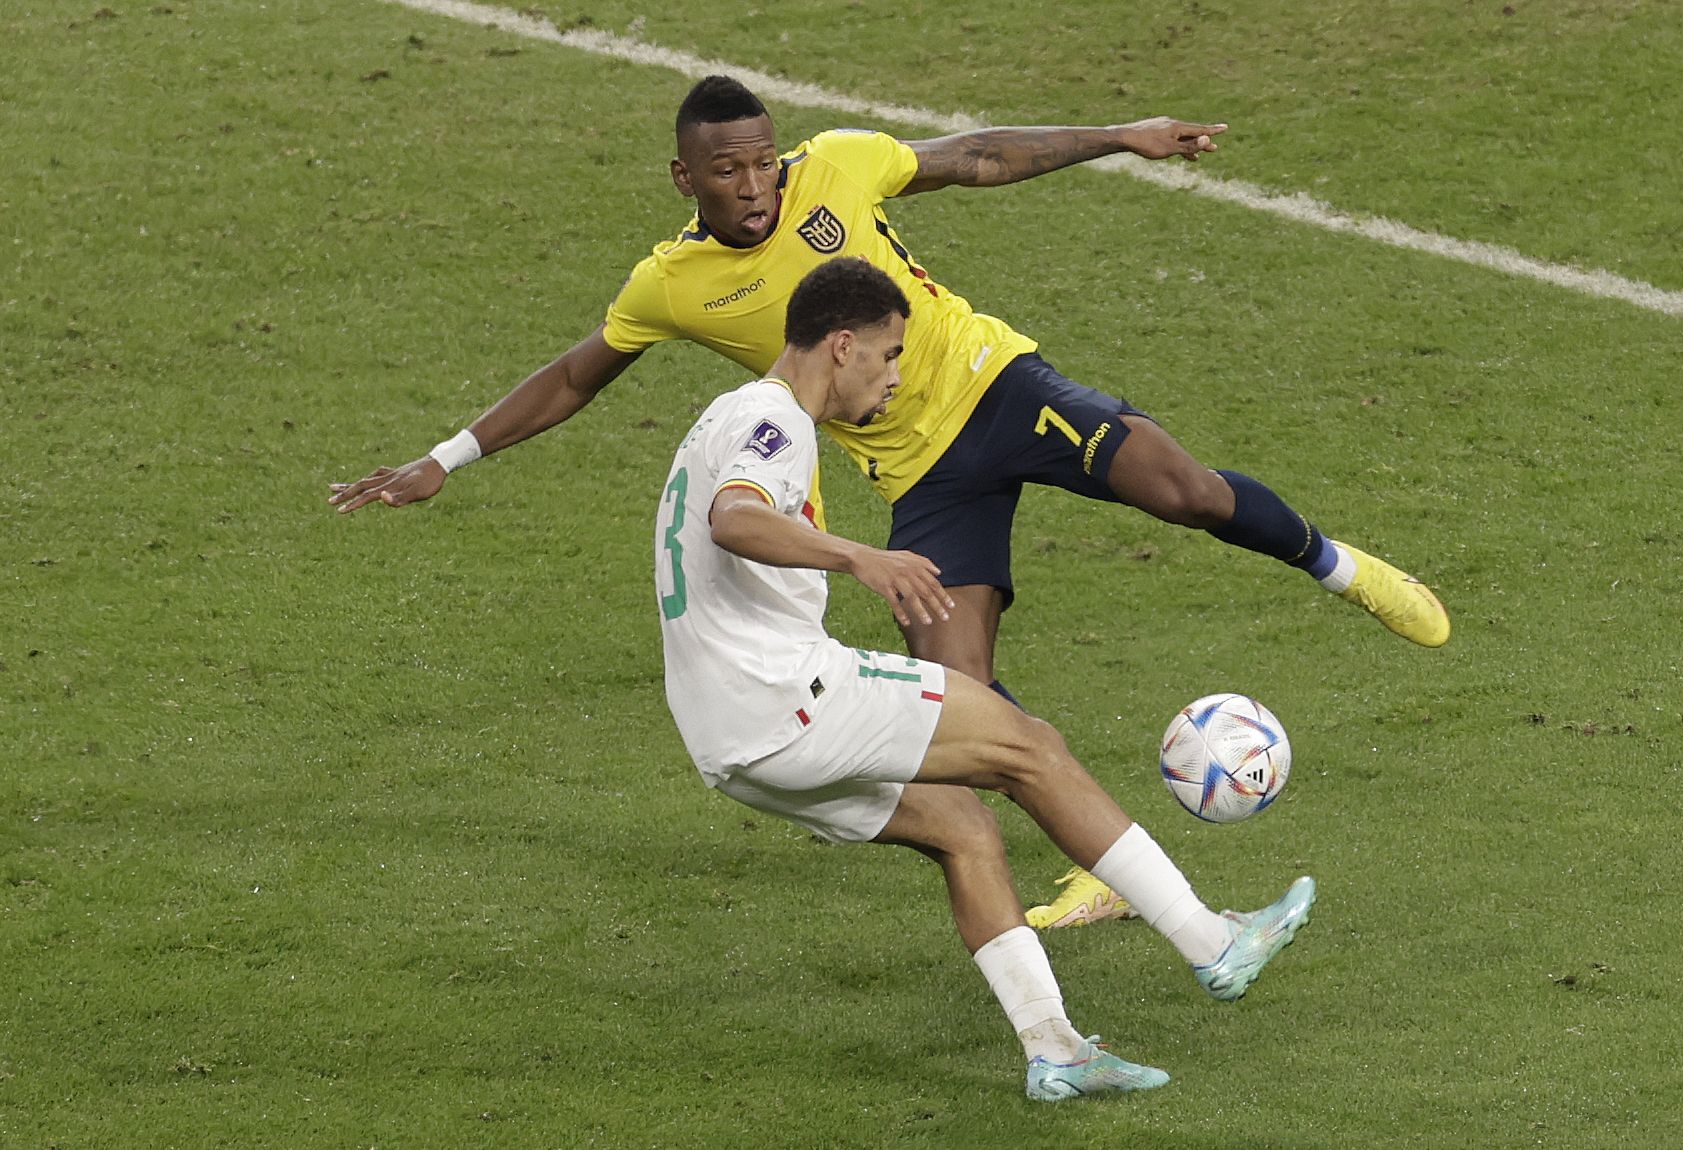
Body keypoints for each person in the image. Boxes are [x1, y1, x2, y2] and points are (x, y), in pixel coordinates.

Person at [329, 75, 1444, 930]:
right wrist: (448, 456)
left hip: (997, 385)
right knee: (965, 708)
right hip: (917, 478)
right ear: (686, 179)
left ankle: (1346, 569)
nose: (755, 184)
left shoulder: (843, 165)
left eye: (764, 163)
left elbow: (977, 159)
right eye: (728, 172)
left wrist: (1122, 136)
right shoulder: (671, 282)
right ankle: (1105, 868)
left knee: (1186, 490)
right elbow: (576, 375)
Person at [654, 257, 1315, 1099]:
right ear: (843, 346)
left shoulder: (725, 416)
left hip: (724, 740)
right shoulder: (775, 421)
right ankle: (1213, 944)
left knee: (961, 828)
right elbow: (736, 517)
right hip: (790, 696)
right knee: (1030, 749)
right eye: (889, 356)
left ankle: (1058, 1051)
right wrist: (864, 557)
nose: (896, 379)